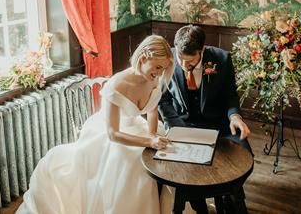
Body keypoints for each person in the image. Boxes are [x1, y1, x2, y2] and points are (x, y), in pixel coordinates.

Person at [17, 35, 174, 214]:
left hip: (138, 127)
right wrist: (148, 143)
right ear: (144, 57)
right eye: (158, 67)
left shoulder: (154, 79)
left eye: (164, 69)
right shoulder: (117, 84)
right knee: (133, 164)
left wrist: (152, 134)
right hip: (112, 133)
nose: (160, 74)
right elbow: (113, 134)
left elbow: (152, 110)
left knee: (164, 157)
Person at [158, 25, 252, 213]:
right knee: (187, 168)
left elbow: (230, 95)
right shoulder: (167, 59)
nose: (184, 66)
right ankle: (199, 203)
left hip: (219, 125)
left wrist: (234, 116)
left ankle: (227, 195)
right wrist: (178, 129)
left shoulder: (221, 59)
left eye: (190, 61)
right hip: (183, 124)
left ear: (202, 50)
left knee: (243, 158)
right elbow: (163, 100)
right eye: (180, 60)